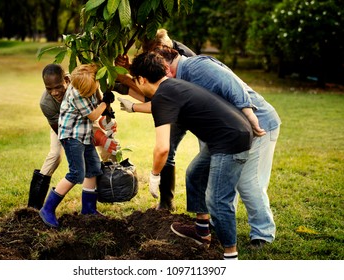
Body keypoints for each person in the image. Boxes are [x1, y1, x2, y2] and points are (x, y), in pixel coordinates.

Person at [120, 46, 281, 247]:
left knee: (246, 184)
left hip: (257, 123)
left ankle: (261, 235)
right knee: (196, 174)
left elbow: (233, 84)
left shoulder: (197, 67)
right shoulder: (173, 82)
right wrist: (131, 92)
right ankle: (206, 228)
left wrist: (249, 115)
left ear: (168, 66)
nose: (164, 75)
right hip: (223, 133)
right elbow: (160, 101)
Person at [114, 28, 196, 211]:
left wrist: (127, 81)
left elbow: (161, 99)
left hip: (194, 108)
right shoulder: (159, 54)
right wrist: (129, 69)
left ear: (161, 47)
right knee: (169, 151)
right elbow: (155, 92)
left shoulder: (184, 58)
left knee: (173, 151)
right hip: (175, 103)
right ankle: (166, 203)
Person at [27, 64, 119, 210]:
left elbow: (95, 102)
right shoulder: (47, 103)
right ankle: (34, 206)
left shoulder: (81, 81)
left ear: (66, 79)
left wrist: (105, 117)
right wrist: (98, 138)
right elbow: (62, 131)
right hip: (64, 128)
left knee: (105, 152)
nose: (54, 92)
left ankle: (111, 188)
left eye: (58, 87)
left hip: (86, 119)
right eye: (49, 89)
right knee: (56, 155)